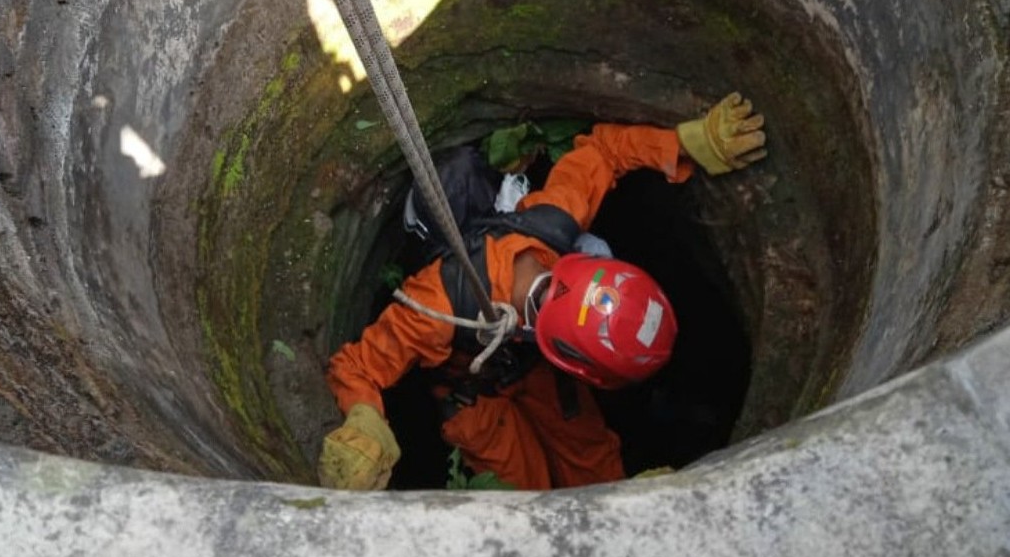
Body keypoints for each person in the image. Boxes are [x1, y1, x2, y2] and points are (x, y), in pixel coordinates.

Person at [319, 92, 767, 490]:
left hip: (535, 368)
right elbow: (358, 367)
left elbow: (605, 151)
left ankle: (616, 508)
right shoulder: (439, 304)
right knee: (524, 497)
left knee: (594, 465)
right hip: (474, 393)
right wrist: (365, 423)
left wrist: (684, 143)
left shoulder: (554, 222)